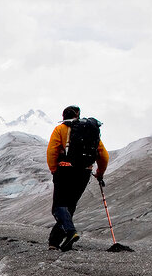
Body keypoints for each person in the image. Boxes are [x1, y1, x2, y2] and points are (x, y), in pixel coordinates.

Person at [46, 105, 110, 250]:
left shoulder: (60, 129)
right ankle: (54, 242)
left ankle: (70, 232)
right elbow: (103, 155)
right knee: (70, 206)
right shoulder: (90, 131)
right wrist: (100, 173)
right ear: (78, 115)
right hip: (84, 173)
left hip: (65, 170)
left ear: (63, 116)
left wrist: (54, 169)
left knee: (58, 206)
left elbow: (52, 151)